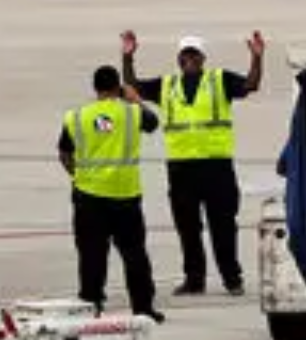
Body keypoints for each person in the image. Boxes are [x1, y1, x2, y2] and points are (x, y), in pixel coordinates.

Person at [121, 30, 265, 296]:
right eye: (185, 54)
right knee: (187, 228)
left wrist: (257, 58)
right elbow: (132, 87)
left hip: (216, 166)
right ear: (179, 58)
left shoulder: (219, 80)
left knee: (223, 226)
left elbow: (250, 85)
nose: (190, 59)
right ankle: (194, 279)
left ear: (202, 58)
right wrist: (128, 57)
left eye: (194, 54)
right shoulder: (167, 85)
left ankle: (232, 278)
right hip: (181, 169)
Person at [58, 65, 164, 323]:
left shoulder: (77, 116)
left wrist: (77, 176)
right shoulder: (131, 113)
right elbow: (153, 123)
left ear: (95, 89)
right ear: (118, 87)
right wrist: (136, 99)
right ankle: (143, 307)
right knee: (135, 254)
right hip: (125, 196)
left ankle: (91, 304)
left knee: (91, 255)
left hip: (89, 196)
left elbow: (64, 153)